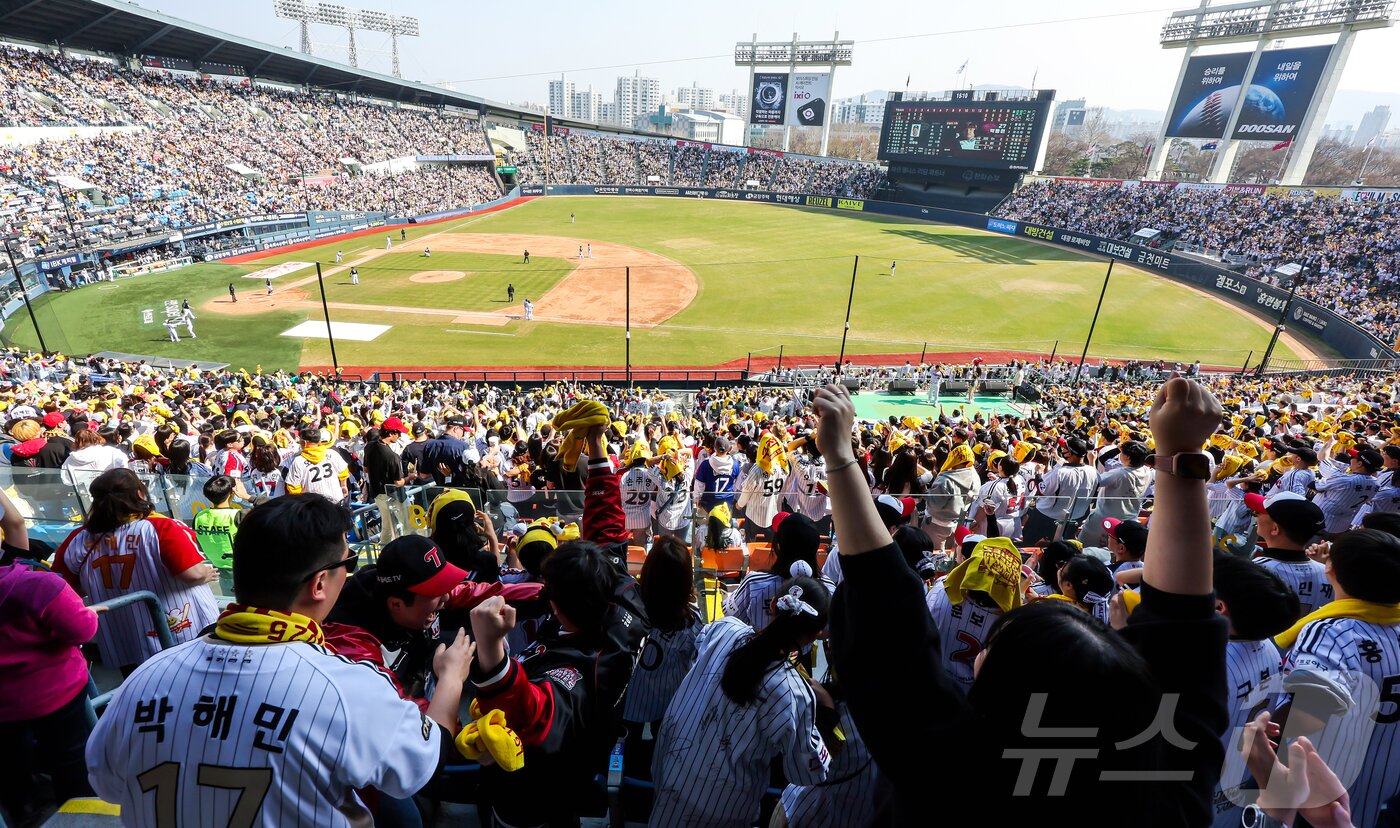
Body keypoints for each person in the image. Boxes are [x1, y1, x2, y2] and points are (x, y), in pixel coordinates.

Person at [823, 376, 1229, 823]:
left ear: (1004, 689)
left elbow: (1185, 640)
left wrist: (1182, 455)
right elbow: (1185, 634)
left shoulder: (950, 775)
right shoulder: (1158, 791)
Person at [86, 494, 476, 827]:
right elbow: (423, 760)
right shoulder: (346, 687)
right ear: (319, 583)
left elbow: (106, 782)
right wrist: (452, 678)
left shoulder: (144, 678)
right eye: (349, 563)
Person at [466, 420, 649, 827]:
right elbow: (607, 534)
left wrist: (492, 652)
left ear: (557, 606)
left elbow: (533, 714)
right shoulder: (626, 606)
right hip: (570, 769)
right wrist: (597, 450)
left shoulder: (579, 667)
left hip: (536, 802)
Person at [649, 563, 833, 827]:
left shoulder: (724, 629)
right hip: (722, 807)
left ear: (773, 606)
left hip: (668, 771)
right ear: (816, 634)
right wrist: (826, 712)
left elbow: (701, 653)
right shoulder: (795, 694)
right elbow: (806, 772)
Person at [1276, 527, 1400, 828]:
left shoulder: (1330, 632)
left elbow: (1302, 720)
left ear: (1329, 569)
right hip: (1390, 794)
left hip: (1331, 798)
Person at [53, 468, 219, 673]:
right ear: (139, 494)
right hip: (178, 633)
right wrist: (206, 574)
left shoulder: (77, 538)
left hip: (123, 636)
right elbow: (192, 574)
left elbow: (64, 591)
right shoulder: (160, 527)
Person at [0, 551, 99, 823]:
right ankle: (80, 817)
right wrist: (89, 613)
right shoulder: (39, 585)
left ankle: (26, 816)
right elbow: (82, 630)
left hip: (5, 710)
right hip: (57, 696)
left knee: (14, 770)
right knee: (71, 762)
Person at [1246, 491, 1330, 617]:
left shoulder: (1252, 572)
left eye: (1256, 513)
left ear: (1275, 529)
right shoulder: (1329, 575)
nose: (1255, 517)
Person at [1022, 437, 1099, 545]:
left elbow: (1042, 490)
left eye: (1065, 448)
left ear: (1070, 453)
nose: (1062, 450)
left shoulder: (1061, 472)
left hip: (1047, 516)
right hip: (1075, 517)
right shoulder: (1093, 471)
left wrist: (1038, 474)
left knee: (1030, 542)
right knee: (1063, 546)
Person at [192, 475, 242, 598]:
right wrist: (246, 496)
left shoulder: (200, 516)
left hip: (218, 565)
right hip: (240, 566)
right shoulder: (237, 515)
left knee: (230, 601)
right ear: (232, 493)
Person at [285, 427, 350, 504]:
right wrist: (343, 485)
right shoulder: (332, 453)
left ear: (305, 442)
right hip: (336, 501)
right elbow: (343, 471)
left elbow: (293, 487)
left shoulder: (298, 461)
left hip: (313, 506)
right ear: (319, 441)